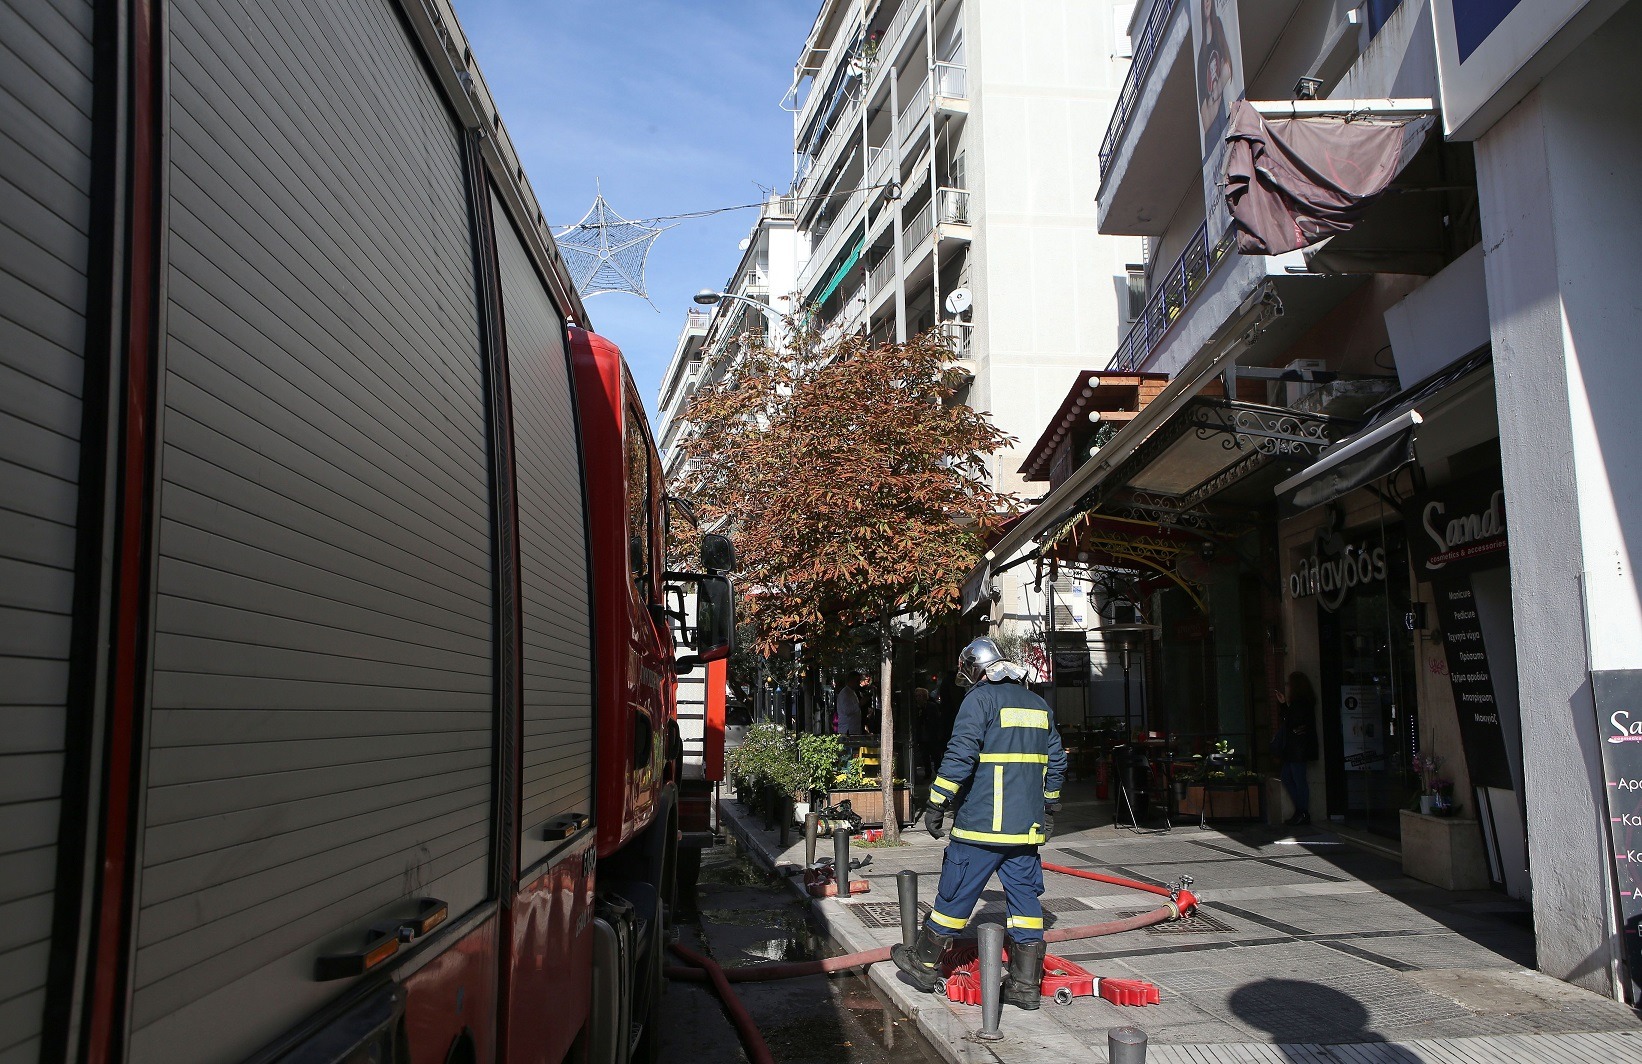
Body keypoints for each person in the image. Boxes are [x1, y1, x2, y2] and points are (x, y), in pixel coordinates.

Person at [891, 638, 1067, 1011]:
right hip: (1024, 829)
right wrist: (1049, 808)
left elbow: (960, 754)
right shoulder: (1038, 703)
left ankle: (923, 963)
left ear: (976, 669)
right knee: (1024, 902)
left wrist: (937, 802)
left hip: (982, 824)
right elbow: (1057, 762)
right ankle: (1024, 985)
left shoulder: (980, 699)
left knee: (955, 895)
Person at [1272, 671, 1318, 826]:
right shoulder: (1303, 702)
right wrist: (1284, 705)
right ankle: (1301, 811)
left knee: (1297, 779)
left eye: (1289, 684)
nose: (1288, 687)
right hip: (1296, 748)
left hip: (1297, 749)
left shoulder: (1301, 703)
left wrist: (1284, 706)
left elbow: (1292, 722)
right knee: (1290, 778)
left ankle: (1302, 812)